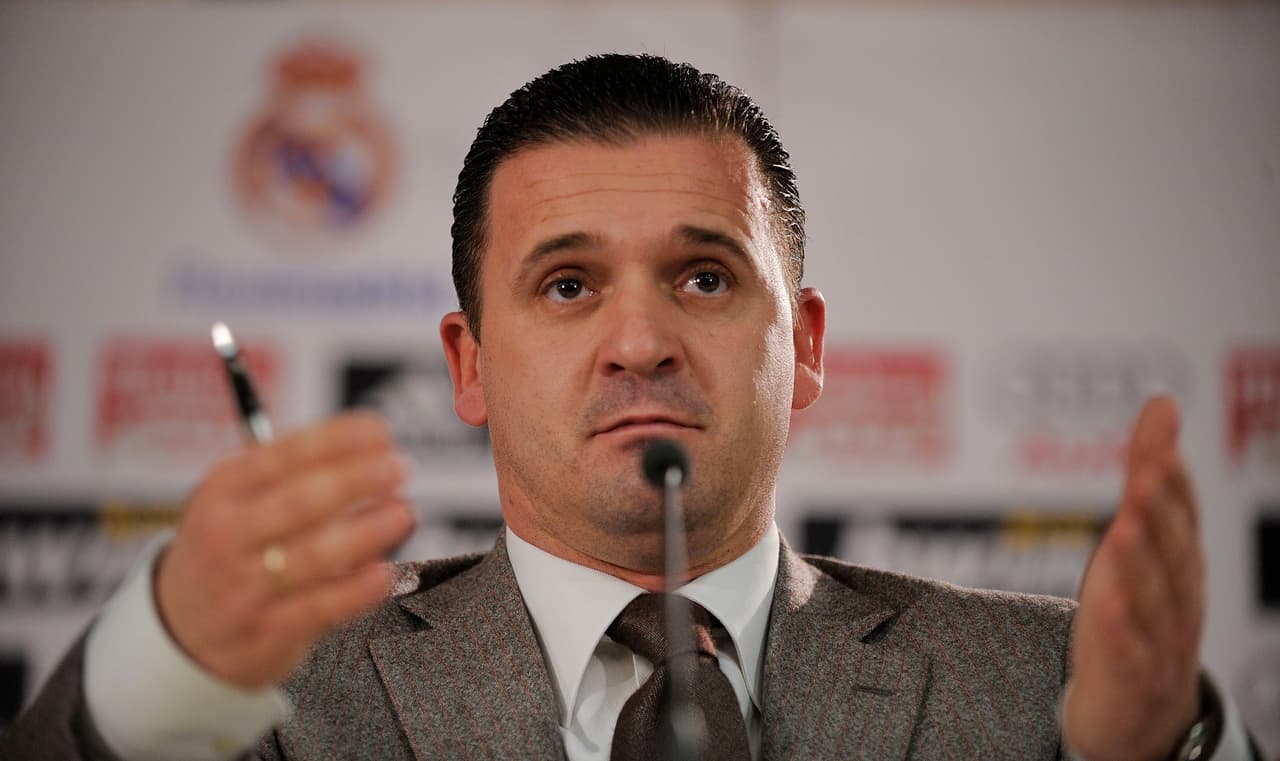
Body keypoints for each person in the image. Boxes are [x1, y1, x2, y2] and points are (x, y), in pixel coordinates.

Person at [0, 53, 1259, 761]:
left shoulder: (1051, 686)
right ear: (468, 364)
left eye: (703, 277)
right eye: (567, 285)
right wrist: (159, 665)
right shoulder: (278, 689)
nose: (641, 341)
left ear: (803, 345)